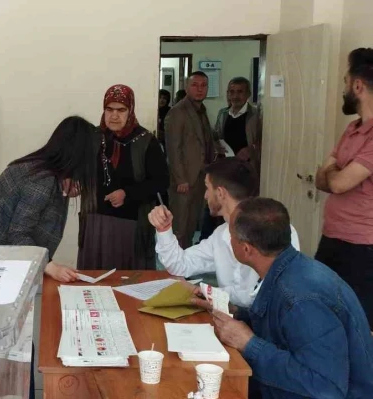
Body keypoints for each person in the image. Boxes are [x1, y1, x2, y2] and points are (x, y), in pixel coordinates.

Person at [213, 198, 373, 399]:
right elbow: (285, 331)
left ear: (246, 249)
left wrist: (249, 344)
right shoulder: (292, 269)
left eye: (231, 236)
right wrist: (239, 315)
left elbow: (325, 389)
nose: (229, 240)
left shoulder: (301, 299)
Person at [0, 116, 99, 283]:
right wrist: (50, 267)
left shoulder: (40, 169)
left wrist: (66, 189)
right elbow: (18, 234)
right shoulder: (41, 182)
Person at [148, 158, 300, 308]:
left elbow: (263, 296)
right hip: (227, 319)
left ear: (220, 193)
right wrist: (164, 229)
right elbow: (179, 265)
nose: (205, 195)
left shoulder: (279, 229)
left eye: (207, 188)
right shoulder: (220, 235)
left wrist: (203, 291)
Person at [77, 84, 169, 270]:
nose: (114, 115)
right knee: (95, 280)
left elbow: (161, 181)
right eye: (109, 109)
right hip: (95, 223)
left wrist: (127, 193)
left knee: (127, 282)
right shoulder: (94, 137)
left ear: (131, 110)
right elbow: (80, 169)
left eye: (121, 110)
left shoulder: (145, 141)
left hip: (131, 226)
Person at [314, 48, 373, 329]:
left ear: (357, 86)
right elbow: (320, 177)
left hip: (362, 247)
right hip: (332, 238)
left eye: (345, 82)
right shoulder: (352, 129)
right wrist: (334, 176)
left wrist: (333, 175)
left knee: (357, 323)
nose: (344, 88)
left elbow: (335, 181)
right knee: (320, 312)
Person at [165, 71, 218, 249]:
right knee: (180, 226)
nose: (199, 89)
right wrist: (181, 179)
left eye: (204, 85)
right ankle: (175, 270)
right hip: (184, 180)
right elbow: (173, 148)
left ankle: (185, 267)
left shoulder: (202, 111)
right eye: (195, 85)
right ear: (187, 87)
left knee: (191, 226)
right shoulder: (178, 112)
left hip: (200, 177)